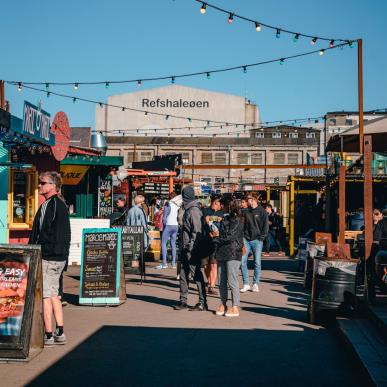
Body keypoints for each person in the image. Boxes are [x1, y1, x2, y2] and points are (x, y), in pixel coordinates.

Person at [29, 171, 71, 346]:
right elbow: (66, 234)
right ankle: (60, 331)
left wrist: (33, 250)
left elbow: (41, 232)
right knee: (54, 294)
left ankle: (48, 334)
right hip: (60, 257)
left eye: (42, 183)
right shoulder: (62, 205)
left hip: (48, 256)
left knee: (46, 295)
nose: (39, 185)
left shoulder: (48, 204)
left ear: (52, 186)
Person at [173, 185, 207, 311]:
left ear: (185, 196)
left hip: (191, 249)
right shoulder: (187, 208)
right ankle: (183, 300)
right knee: (183, 274)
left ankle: (202, 302)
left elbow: (197, 231)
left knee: (196, 274)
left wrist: (190, 247)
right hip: (185, 247)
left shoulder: (193, 210)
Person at [213, 197, 244, 317]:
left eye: (222, 204)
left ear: (227, 206)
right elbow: (224, 235)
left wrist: (216, 239)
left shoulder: (237, 219)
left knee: (232, 280)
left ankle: (235, 306)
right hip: (222, 252)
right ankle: (223, 303)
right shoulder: (224, 218)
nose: (220, 206)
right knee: (221, 281)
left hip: (233, 252)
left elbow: (230, 236)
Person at [240, 192, 269, 293]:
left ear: (253, 200)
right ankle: (246, 283)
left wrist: (261, 238)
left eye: (248, 199)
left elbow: (265, 226)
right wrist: (242, 237)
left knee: (257, 262)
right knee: (242, 261)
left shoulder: (262, 211)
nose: (247, 201)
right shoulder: (245, 211)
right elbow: (242, 225)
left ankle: (255, 283)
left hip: (257, 240)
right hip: (246, 239)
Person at [202, 195, 223, 295]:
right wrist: (215, 218)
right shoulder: (205, 210)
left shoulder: (221, 213)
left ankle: (212, 286)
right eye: (219, 204)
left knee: (214, 264)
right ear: (214, 203)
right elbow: (205, 219)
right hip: (206, 241)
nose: (220, 206)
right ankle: (210, 281)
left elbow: (222, 223)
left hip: (216, 242)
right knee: (206, 265)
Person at [157, 193, 182, 269]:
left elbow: (164, 218)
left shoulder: (168, 204)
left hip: (168, 225)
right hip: (176, 225)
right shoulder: (178, 205)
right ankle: (173, 263)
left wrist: (163, 225)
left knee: (163, 243)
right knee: (173, 244)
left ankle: (164, 264)